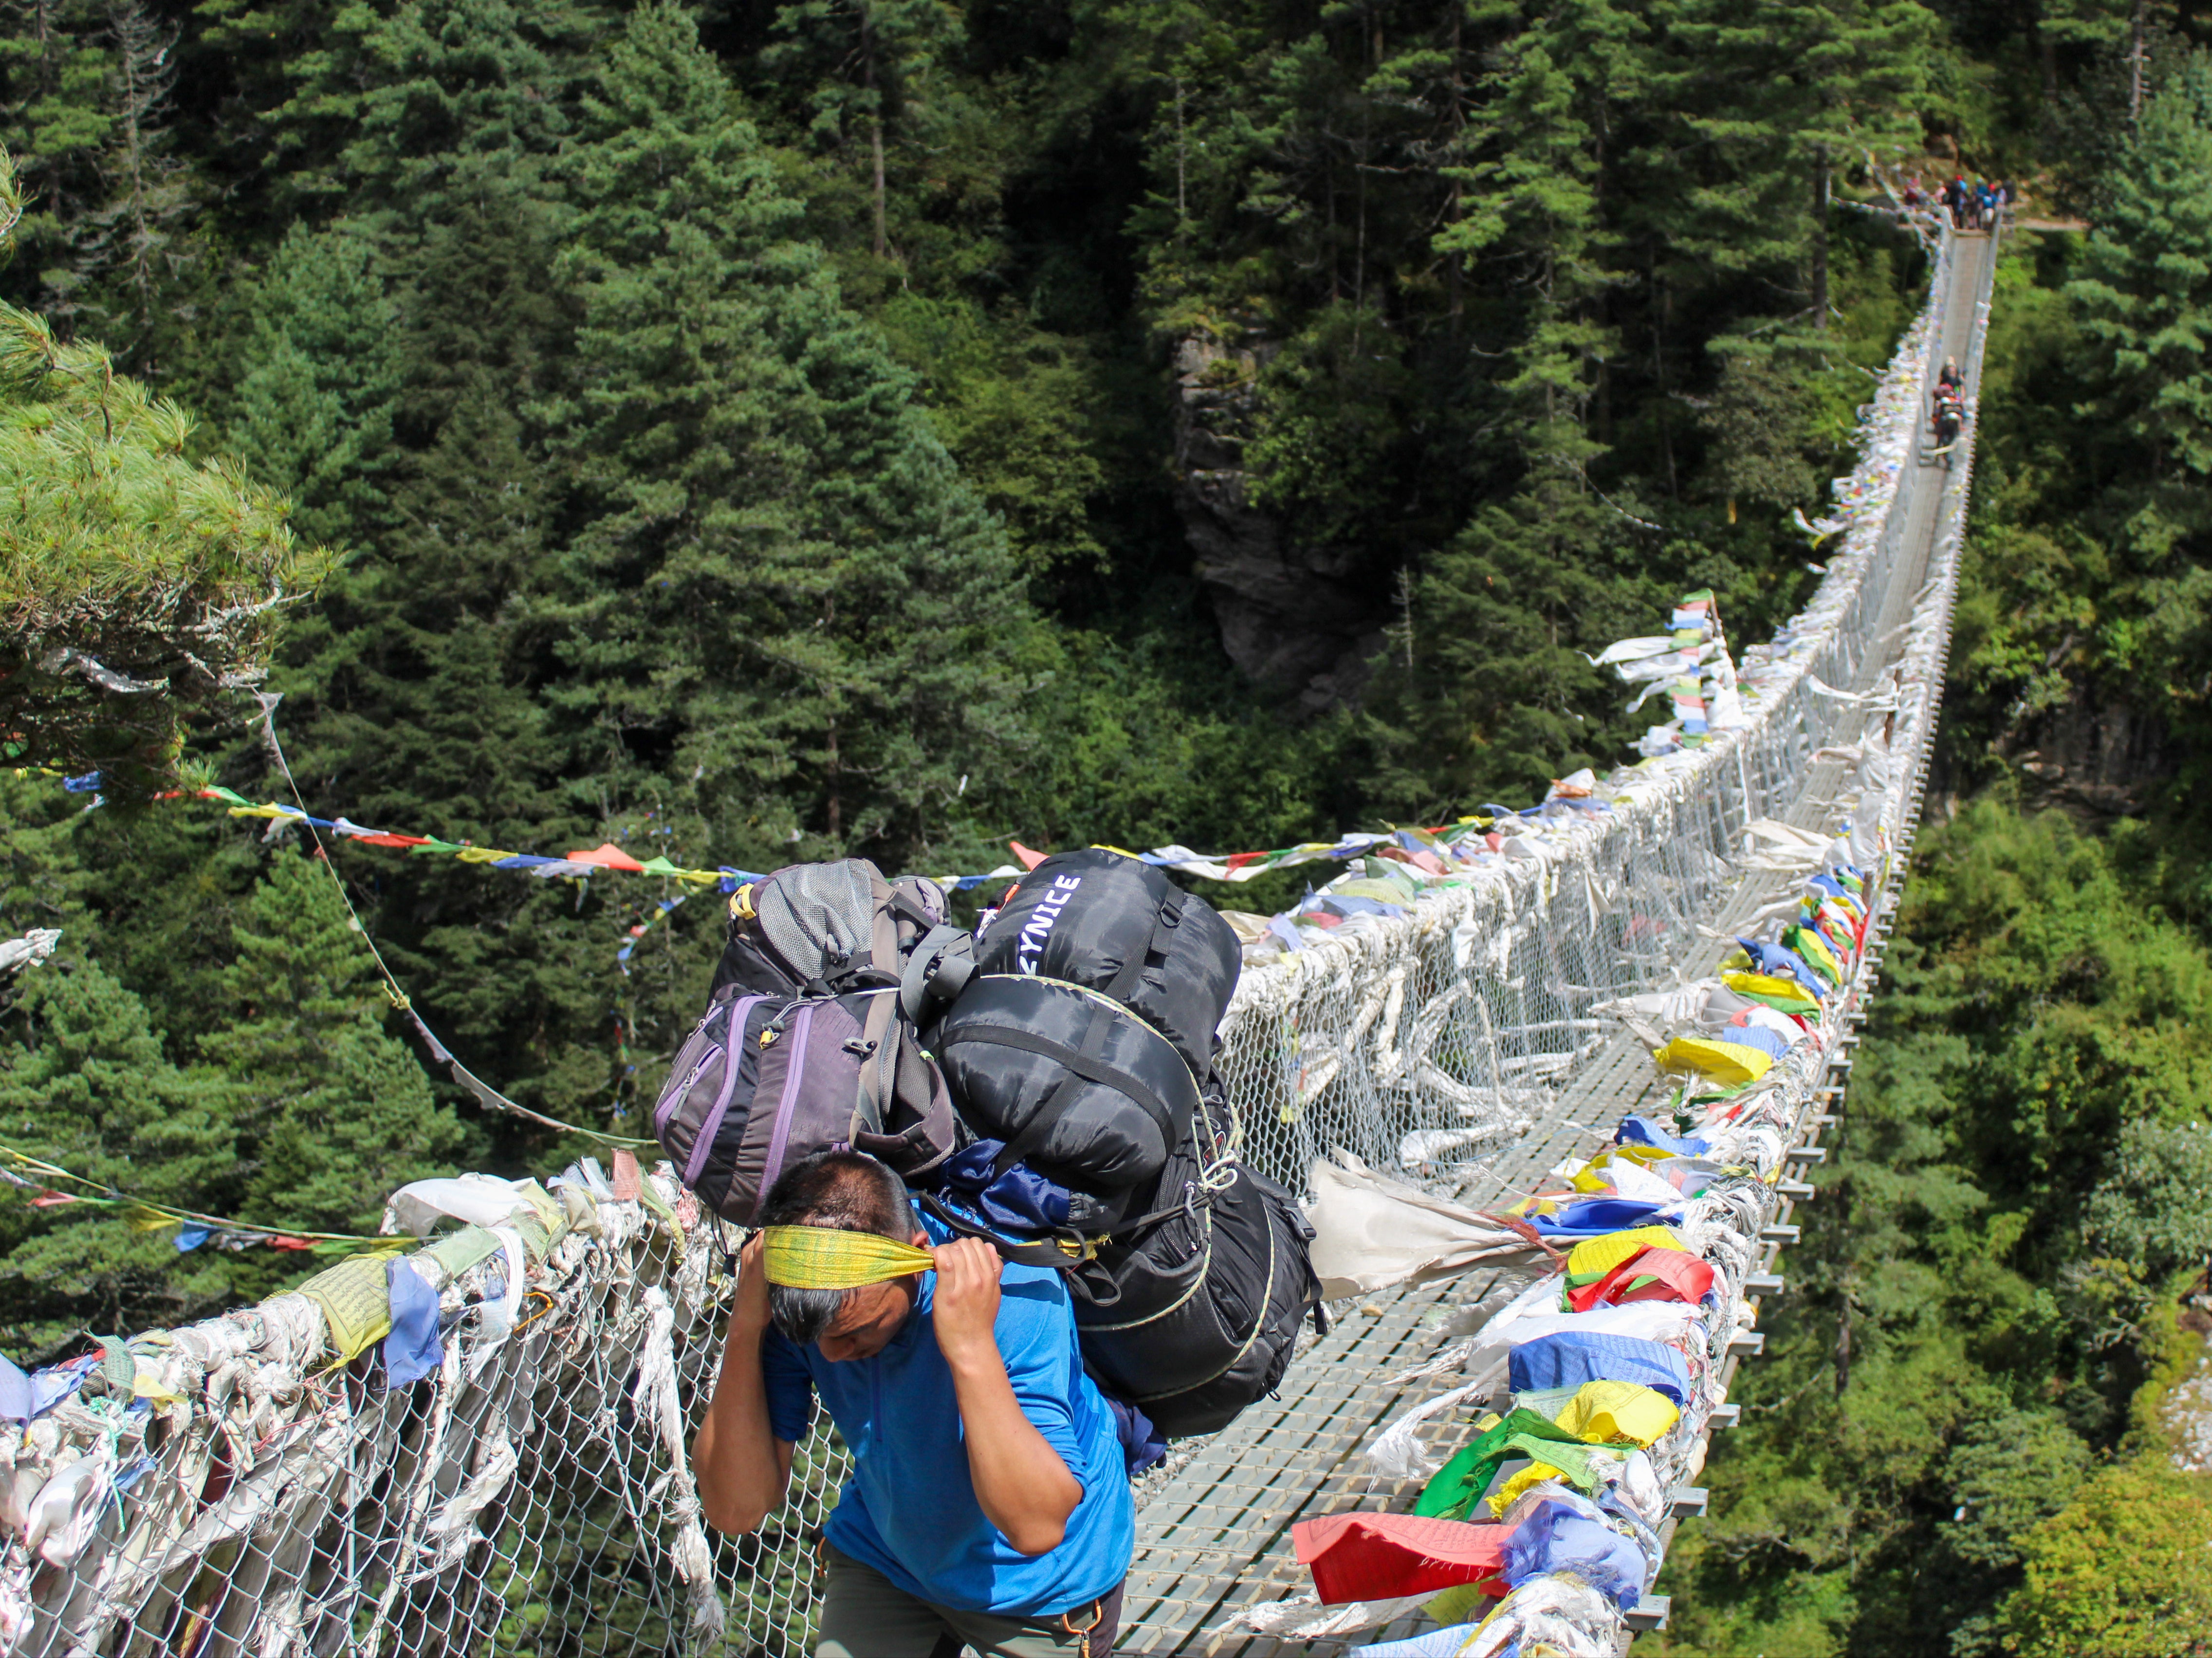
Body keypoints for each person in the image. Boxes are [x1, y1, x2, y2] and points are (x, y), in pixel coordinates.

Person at [693, 1149, 1135, 1658]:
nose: (833, 1358)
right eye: (820, 1343)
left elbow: (1035, 1527)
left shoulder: (1016, 1291)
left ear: (918, 1254)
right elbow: (733, 1508)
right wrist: (746, 1323)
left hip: (1035, 1586)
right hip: (890, 1554)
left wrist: (970, 1345)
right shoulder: (803, 1306)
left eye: (856, 1333)